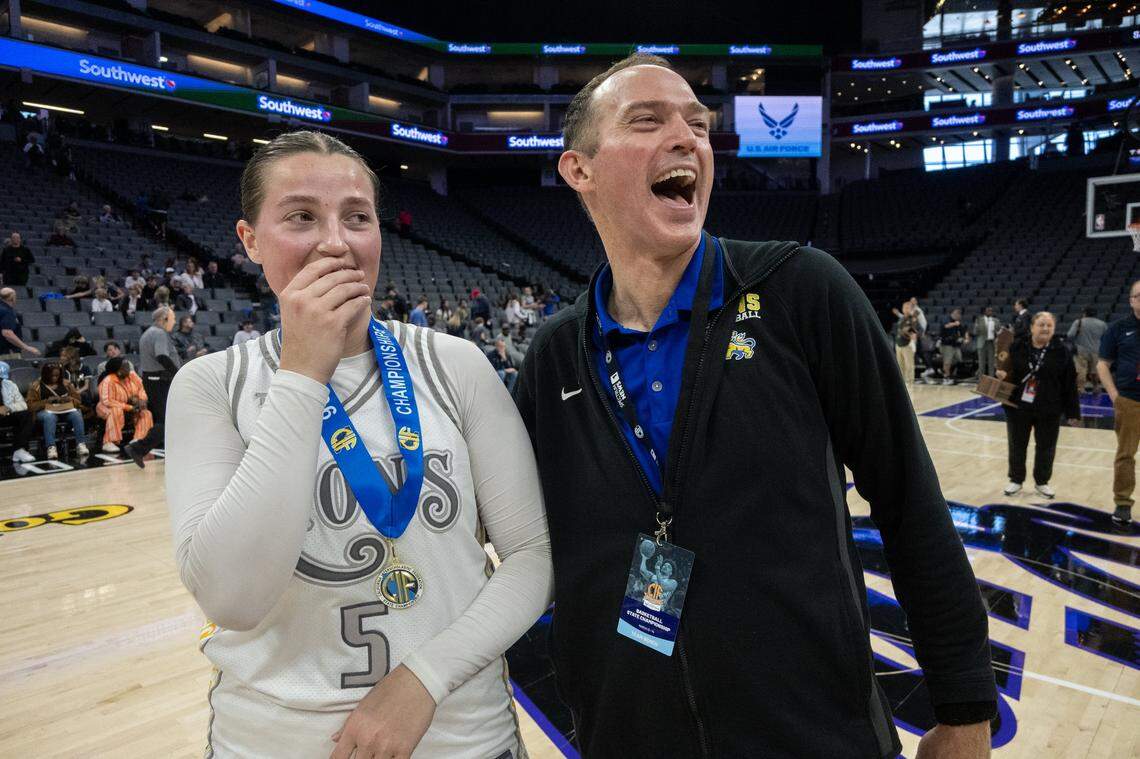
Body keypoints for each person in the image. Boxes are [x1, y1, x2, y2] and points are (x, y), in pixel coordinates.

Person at [513, 54, 995, 758]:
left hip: (816, 734)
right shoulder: (555, 355)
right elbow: (519, 550)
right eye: (648, 119)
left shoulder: (803, 291)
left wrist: (964, 706)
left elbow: (910, 501)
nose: (686, 137)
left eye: (698, 125)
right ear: (578, 170)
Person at [165, 130, 552, 757]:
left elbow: (532, 555)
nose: (335, 242)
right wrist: (302, 374)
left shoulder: (455, 364)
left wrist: (423, 681)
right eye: (300, 217)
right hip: (271, 741)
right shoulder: (210, 386)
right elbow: (232, 598)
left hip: (462, 736)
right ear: (249, 241)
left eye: (357, 218)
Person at [997, 312, 1080, 498]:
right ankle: (1016, 480)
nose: (1045, 328)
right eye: (1041, 324)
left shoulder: (1061, 351)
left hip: (1050, 408)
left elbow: (1069, 383)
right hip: (1018, 406)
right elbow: (1009, 372)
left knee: (1046, 446)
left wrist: (1072, 412)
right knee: (1017, 444)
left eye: (1049, 325)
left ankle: (1042, 482)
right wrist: (1003, 376)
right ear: (1032, 327)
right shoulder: (1017, 346)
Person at [1097, 279, 1140, 526]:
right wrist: (1114, 395)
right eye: (1139, 295)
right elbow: (1103, 364)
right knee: (1126, 455)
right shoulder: (1118, 329)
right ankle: (1123, 503)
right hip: (1130, 400)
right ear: (1132, 300)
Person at [25, 362, 89, 459]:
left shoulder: (66, 383)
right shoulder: (36, 386)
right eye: (52, 375)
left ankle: (81, 444)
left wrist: (69, 399)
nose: (55, 378)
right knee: (50, 417)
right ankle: (51, 447)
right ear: (46, 375)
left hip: (64, 409)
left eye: (57, 375)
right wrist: (46, 401)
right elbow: (30, 406)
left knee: (76, 413)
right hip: (45, 411)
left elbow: (78, 400)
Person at [96, 357, 153, 454]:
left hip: (130, 406)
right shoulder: (108, 381)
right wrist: (129, 408)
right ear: (119, 371)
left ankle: (138, 439)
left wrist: (141, 400)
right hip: (106, 407)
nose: (129, 368)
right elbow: (108, 401)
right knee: (115, 410)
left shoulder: (133, 375)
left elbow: (142, 388)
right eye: (126, 366)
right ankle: (109, 442)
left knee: (146, 413)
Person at [138, 305, 180, 426]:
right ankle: (138, 445)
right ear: (164, 319)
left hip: (152, 379)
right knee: (165, 420)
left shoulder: (148, 333)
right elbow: (161, 356)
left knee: (163, 418)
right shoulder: (159, 333)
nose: (175, 322)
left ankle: (161, 444)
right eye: (173, 319)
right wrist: (176, 372)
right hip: (159, 380)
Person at [0, 361, 36, 463]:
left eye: (1, 379)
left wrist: (8, 407)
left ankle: (19, 450)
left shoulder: (9, 384)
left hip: (7, 415)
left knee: (27, 414)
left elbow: (23, 404)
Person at [1067, 308, 1108, 395]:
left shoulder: (1079, 322)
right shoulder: (1102, 324)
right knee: (1095, 371)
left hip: (1081, 350)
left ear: (1085, 313)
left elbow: (1070, 335)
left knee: (1081, 370)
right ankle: (1096, 388)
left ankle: (1080, 389)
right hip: (1096, 351)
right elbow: (1106, 337)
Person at [0, 287, 39, 358]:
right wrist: (27, 347)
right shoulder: (7, 311)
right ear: (12, 298)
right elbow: (7, 333)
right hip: (6, 353)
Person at [893, 300, 920, 383]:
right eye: (904, 307)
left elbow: (914, 332)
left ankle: (910, 381)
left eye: (907, 308)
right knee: (900, 365)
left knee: (909, 365)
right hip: (898, 343)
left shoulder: (912, 319)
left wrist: (913, 342)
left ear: (911, 309)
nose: (905, 309)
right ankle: (902, 382)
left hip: (907, 344)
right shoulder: (902, 318)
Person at [939, 308, 968, 385]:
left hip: (956, 345)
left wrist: (965, 338)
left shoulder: (958, 322)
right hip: (947, 345)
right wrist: (955, 324)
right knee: (947, 362)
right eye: (958, 315)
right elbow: (945, 326)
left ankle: (947, 372)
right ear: (954, 314)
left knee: (959, 359)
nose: (959, 318)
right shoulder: (946, 319)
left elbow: (964, 331)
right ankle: (946, 378)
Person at [972, 306, 999, 379]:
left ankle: (991, 380)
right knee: (981, 363)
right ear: (984, 312)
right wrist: (976, 327)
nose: (990, 312)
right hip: (981, 343)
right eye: (988, 310)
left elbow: (999, 331)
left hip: (991, 343)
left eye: (991, 311)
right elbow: (975, 332)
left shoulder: (996, 320)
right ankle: (981, 380)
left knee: (991, 363)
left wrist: (996, 330)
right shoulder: (979, 320)